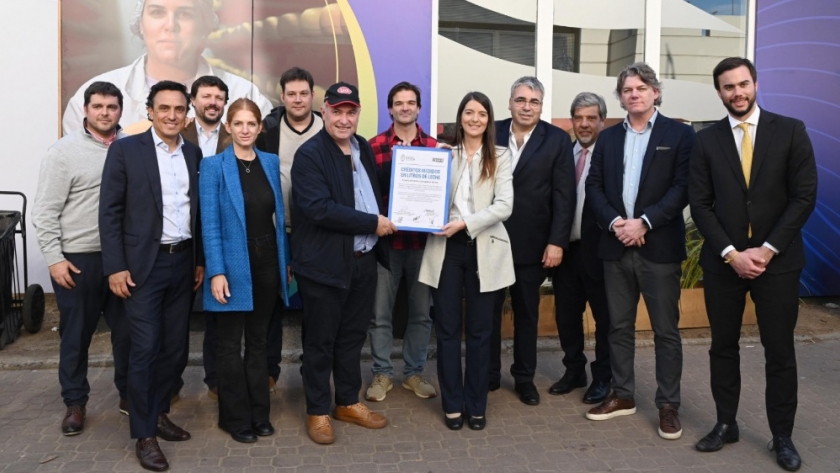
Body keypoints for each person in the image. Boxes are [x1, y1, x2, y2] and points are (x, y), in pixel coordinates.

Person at [689, 57, 817, 471]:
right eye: (728, 87)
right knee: (722, 348)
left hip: (776, 263)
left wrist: (766, 249)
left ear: (756, 84)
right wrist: (731, 253)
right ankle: (726, 424)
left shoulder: (790, 131)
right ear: (719, 92)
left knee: (779, 351)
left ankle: (782, 436)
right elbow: (701, 205)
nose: (737, 92)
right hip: (724, 262)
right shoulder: (706, 141)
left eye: (743, 84)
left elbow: (803, 196)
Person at [584, 62, 695, 440]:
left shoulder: (679, 135)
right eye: (628, 89)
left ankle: (668, 405)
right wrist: (617, 223)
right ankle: (624, 395)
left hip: (658, 246)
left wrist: (644, 222)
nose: (634, 94)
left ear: (655, 93)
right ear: (620, 96)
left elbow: (682, 188)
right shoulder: (609, 137)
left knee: (666, 330)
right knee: (618, 327)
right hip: (615, 246)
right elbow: (594, 187)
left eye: (641, 88)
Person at [99, 80, 204, 471]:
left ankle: (159, 413)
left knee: (175, 348)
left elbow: (196, 212)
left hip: (182, 263)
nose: (172, 115)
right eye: (164, 108)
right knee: (144, 349)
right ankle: (144, 434)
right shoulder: (126, 150)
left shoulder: (193, 154)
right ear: (150, 111)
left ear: (187, 113)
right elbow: (108, 213)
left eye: (179, 109)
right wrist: (115, 266)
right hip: (142, 266)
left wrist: (199, 261)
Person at [291, 82, 394, 445]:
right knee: (320, 342)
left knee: (351, 339)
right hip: (323, 267)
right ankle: (317, 410)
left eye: (351, 112)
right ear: (325, 112)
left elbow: (373, 193)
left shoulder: (362, 147)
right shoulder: (310, 155)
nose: (344, 119)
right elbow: (318, 208)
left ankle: (347, 401)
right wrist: (372, 223)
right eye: (338, 111)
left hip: (362, 262)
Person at [32, 81, 131, 436]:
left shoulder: (131, 148)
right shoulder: (63, 152)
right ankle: (75, 402)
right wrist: (55, 258)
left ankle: (129, 397)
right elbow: (44, 212)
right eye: (98, 106)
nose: (105, 113)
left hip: (122, 259)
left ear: (121, 110)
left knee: (128, 335)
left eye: (111, 107)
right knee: (76, 336)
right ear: (86, 110)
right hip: (78, 261)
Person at [419, 91, 514, 431]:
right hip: (446, 249)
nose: (475, 119)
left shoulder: (501, 156)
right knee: (446, 330)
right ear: (460, 118)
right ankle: (452, 405)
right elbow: (425, 199)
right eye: (469, 113)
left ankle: (476, 406)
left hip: (483, 248)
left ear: (489, 121)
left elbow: (505, 205)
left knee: (479, 331)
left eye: (482, 114)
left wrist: (466, 222)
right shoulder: (444, 155)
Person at [200, 98, 291, 444]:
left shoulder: (269, 162)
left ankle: (259, 414)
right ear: (228, 127)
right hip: (232, 266)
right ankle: (234, 418)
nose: (244, 130)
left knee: (258, 342)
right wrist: (216, 272)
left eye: (251, 124)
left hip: (267, 263)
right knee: (228, 345)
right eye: (238, 124)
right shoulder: (214, 167)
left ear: (259, 127)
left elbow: (278, 218)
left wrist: (285, 264)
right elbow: (209, 225)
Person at [489, 76, 575, 406]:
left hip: (533, 245)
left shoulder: (556, 140)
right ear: (509, 102)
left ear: (541, 106)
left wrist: (557, 242)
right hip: (490, 240)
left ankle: (524, 378)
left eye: (534, 101)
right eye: (521, 100)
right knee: (489, 312)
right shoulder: (489, 130)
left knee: (527, 314)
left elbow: (564, 197)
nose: (527, 106)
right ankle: (489, 375)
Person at [63, 0, 272, 134]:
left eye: (185, 14)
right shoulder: (90, 99)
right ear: (141, 25)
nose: (170, 25)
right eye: (157, 12)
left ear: (205, 26)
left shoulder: (245, 97)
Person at [365, 81, 438, 403]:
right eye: (399, 103)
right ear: (390, 108)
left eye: (411, 102)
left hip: (424, 246)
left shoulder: (437, 149)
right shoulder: (372, 146)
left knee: (421, 313)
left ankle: (413, 373)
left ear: (419, 108)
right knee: (379, 314)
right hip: (386, 247)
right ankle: (382, 372)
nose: (405, 107)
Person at [255, 66, 324, 390]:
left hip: (316, 233)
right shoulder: (267, 132)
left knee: (315, 307)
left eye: (304, 93)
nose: (298, 99)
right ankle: (269, 372)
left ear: (313, 96)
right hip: (273, 231)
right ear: (282, 97)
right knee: (270, 304)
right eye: (292, 94)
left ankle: (313, 372)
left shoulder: (328, 129)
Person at [549, 92, 612, 405]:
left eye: (591, 118)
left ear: (602, 120)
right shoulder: (566, 153)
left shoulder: (611, 154)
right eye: (579, 118)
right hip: (566, 251)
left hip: (600, 251)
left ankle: (603, 377)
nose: (584, 124)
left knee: (604, 319)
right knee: (566, 316)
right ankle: (574, 370)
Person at [178, 74, 231, 402]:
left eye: (218, 97)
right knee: (176, 315)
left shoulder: (236, 133)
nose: (212, 102)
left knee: (217, 313)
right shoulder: (175, 134)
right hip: (183, 231)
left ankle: (216, 379)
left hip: (221, 234)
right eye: (206, 96)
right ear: (193, 100)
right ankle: (170, 383)